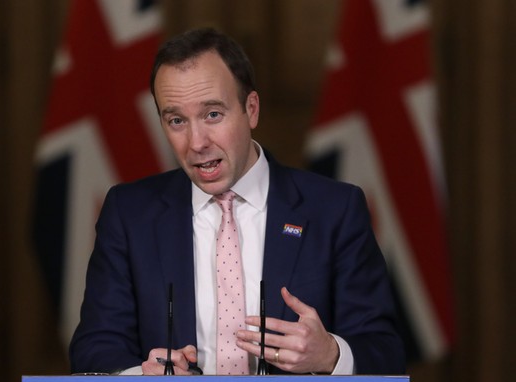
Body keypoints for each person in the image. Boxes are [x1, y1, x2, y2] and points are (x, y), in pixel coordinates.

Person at [69, 27, 405, 376]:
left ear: (252, 109)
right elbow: (95, 347)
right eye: (176, 120)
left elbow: (385, 350)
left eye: (212, 114)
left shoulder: (335, 210)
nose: (196, 142)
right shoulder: (129, 213)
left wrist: (331, 356)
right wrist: (141, 375)